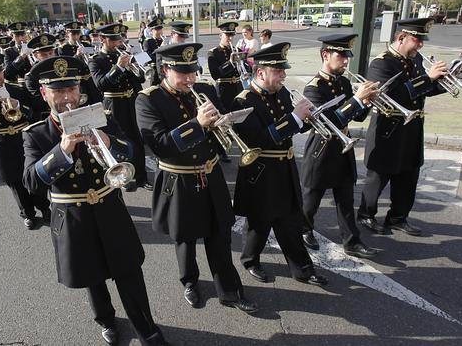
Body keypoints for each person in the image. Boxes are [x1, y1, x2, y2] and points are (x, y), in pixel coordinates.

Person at [22, 56, 168, 346]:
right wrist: (61, 152)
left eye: (72, 90)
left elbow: (132, 153)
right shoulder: (36, 134)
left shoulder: (103, 117)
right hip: (73, 216)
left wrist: (109, 142)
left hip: (109, 208)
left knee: (129, 274)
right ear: (44, 94)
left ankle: (148, 330)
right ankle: (106, 319)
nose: (67, 98)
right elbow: (31, 182)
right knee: (92, 277)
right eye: (59, 92)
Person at [136, 42, 259, 314]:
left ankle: (229, 290)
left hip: (211, 173)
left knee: (220, 234)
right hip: (178, 179)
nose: (190, 79)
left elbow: (218, 127)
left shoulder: (204, 89)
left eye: (192, 71)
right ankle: (190, 281)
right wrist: (197, 125)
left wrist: (222, 124)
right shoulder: (147, 99)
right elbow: (160, 145)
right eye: (183, 73)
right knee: (185, 238)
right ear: (165, 69)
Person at [229, 42, 328, 285]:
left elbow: (291, 128)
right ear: (261, 72)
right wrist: (295, 118)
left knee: (291, 221)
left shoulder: (281, 93)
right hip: (260, 171)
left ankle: (303, 269)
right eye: (278, 71)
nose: (284, 74)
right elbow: (261, 138)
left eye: (283, 70)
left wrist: (307, 118)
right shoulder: (243, 102)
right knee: (259, 223)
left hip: (285, 168)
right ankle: (250, 260)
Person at [358, 18, 448, 236]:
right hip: (389, 126)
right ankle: (366, 215)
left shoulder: (413, 60)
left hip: (413, 126)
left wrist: (443, 82)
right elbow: (392, 95)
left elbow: (422, 90)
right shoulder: (381, 63)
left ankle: (398, 217)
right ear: (401, 37)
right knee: (378, 176)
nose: (420, 45)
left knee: (409, 175)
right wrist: (427, 78)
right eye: (417, 40)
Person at [299, 34, 380, 258]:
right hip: (322, 146)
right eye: (341, 56)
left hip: (344, 146)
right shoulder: (313, 88)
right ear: (326, 55)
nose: (346, 61)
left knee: (345, 197)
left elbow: (357, 117)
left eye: (347, 56)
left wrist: (366, 101)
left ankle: (351, 241)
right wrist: (356, 100)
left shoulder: (343, 82)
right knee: (311, 197)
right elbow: (329, 121)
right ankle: (304, 229)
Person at [0, 53, 50, 230]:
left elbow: (34, 114)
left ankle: (45, 208)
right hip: (0, 142)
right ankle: (27, 214)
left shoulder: (16, 89)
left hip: (22, 138)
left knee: (34, 175)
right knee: (15, 182)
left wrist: (18, 106)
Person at [88, 23, 152, 192]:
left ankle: (141, 176)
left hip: (131, 102)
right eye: (113, 40)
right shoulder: (96, 60)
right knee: (121, 142)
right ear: (102, 39)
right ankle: (125, 177)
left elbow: (138, 79)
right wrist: (119, 67)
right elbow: (101, 85)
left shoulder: (125, 54)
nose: (118, 42)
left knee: (138, 140)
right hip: (114, 106)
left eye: (119, 39)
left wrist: (135, 64)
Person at [207, 21, 251, 163]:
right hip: (223, 90)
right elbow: (215, 74)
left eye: (232, 35)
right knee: (223, 119)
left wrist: (243, 64)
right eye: (227, 35)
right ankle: (221, 150)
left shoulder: (236, 49)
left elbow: (245, 69)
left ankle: (239, 143)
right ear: (221, 34)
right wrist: (230, 63)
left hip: (237, 87)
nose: (230, 38)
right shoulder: (213, 53)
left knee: (238, 117)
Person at [143, 17, 165, 86]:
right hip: (155, 72)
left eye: (161, 29)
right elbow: (148, 57)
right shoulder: (148, 42)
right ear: (151, 31)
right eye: (157, 30)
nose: (160, 32)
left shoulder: (163, 40)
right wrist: (160, 49)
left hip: (165, 70)